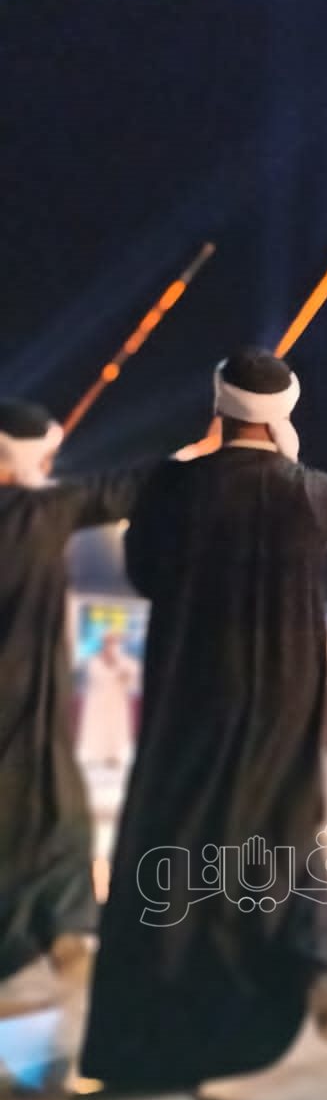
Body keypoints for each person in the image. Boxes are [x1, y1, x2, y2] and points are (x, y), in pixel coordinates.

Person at [80, 347, 327, 1090]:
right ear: (285, 413)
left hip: (191, 696)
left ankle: (155, 1031)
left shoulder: (172, 488)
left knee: (175, 848)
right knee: (277, 830)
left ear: (219, 405)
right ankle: (306, 962)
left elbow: (143, 571)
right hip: (282, 696)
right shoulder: (319, 494)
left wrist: (190, 469)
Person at [0, 400, 173, 989]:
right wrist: (210, 448)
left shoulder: (47, 506)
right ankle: (63, 925)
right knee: (57, 814)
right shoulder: (48, 510)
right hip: (28, 701)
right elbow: (134, 483)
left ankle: (53, 931)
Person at [77, 632, 140, 771]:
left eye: (116, 643)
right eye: (109, 643)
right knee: (97, 726)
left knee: (115, 727)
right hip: (98, 700)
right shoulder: (94, 660)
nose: (113, 646)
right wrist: (114, 670)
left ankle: (113, 755)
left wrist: (123, 672)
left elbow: (133, 677)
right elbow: (95, 676)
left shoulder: (126, 661)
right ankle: (95, 755)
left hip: (116, 700)